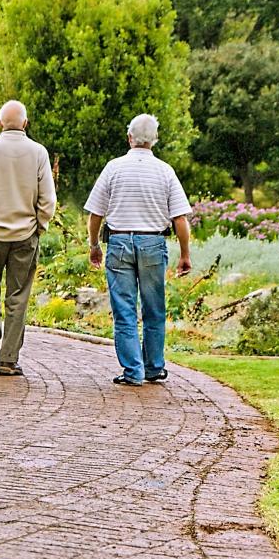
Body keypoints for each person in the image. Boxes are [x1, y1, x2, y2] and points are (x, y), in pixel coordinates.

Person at [85, 113, 193, 387]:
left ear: (129, 137)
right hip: (153, 243)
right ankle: (154, 367)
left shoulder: (114, 168)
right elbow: (180, 219)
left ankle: (133, 371)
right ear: (155, 140)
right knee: (154, 308)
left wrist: (95, 244)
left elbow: (96, 213)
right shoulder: (165, 171)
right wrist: (184, 254)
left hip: (119, 241)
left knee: (124, 310)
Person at [0, 99, 57, 376]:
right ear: (26, 124)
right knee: (18, 298)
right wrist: (39, 226)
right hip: (25, 235)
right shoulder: (39, 153)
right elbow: (47, 200)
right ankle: (9, 359)